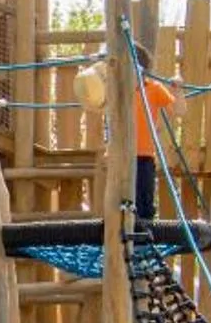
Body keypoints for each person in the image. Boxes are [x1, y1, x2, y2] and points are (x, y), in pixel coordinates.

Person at [73, 50, 180, 220]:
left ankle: (142, 239)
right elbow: (92, 97)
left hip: (143, 156)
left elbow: (179, 110)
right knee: (119, 202)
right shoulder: (115, 91)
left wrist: (177, 90)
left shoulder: (153, 89)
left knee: (143, 202)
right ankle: (118, 238)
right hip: (119, 155)